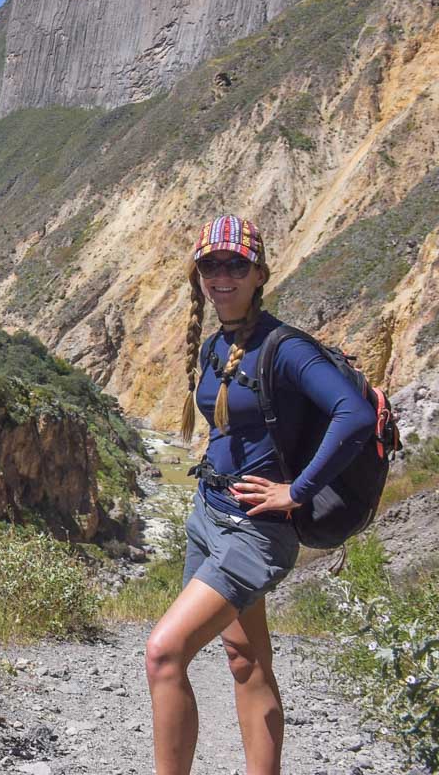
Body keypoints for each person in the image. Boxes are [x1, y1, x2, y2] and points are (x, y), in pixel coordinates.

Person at [145, 214, 377, 775]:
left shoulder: (286, 347)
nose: (222, 276)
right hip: (208, 516)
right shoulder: (213, 347)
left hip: (255, 532)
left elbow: (356, 415)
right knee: (245, 661)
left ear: (259, 274)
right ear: (197, 275)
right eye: (210, 265)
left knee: (164, 653)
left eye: (236, 265)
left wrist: (295, 491)